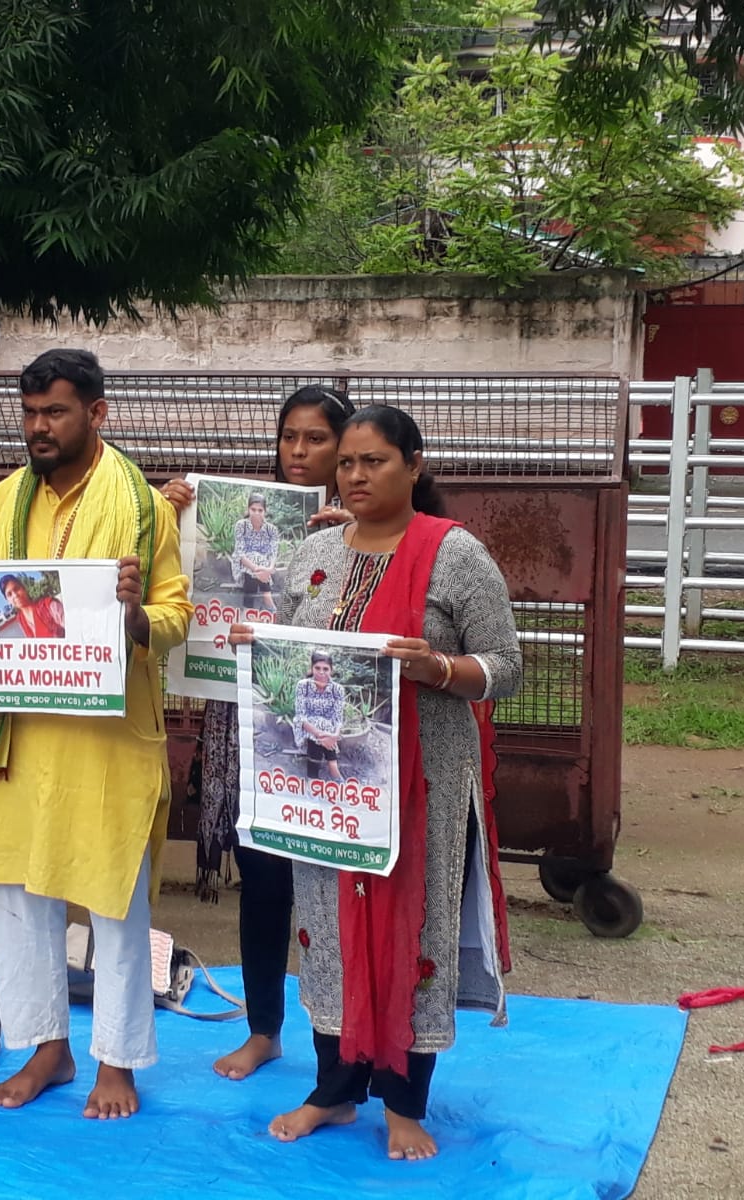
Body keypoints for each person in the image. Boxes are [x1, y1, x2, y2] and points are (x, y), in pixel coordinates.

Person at [0, 348, 193, 1119]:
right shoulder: (5, 501)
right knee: (14, 894)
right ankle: (46, 1049)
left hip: (105, 742)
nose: (38, 427)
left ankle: (119, 1060)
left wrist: (134, 617)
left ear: (97, 413)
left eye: (55, 412)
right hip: (20, 731)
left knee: (111, 897)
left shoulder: (143, 507)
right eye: (30, 413)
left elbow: (177, 617)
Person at [229, 405, 521, 1161]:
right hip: (322, 789)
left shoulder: (455, 555)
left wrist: (441, 669)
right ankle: (333, 1089)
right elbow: (286, 646)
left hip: (421, 786)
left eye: (374, 461)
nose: (355, 475)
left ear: (415, 465)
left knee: (414, 932)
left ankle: (402, 1101)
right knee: (323, 930)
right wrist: (254, 643)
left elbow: (508, 668)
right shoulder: (315, 551)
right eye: (347, 462)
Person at [158, 383, 354, 1083]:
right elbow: (192, 583)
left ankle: (347, 1042)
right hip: (247, 717)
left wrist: (346, 543)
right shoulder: (241, 518)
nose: (299, 453)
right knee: (264, 876)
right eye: (289, 438)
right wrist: (167, 516)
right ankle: (264, 1030)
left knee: (336, 894)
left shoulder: (370, 523)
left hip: (327, 733)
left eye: (317, 440)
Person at [293, 651, 345, 781]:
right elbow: (300, 717)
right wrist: (320, 735)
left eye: (325, 669)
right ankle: (332, 768)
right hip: (308, 729)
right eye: (317, 668)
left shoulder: (337, 689)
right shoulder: (303, 686)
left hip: (329, 732)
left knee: (325, 723)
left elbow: (338, 718)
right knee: (317, 722)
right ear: (312, 668)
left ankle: (314, 776)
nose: (321, 672)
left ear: (331, 670)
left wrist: (334, 736)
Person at [231, 493, 280, 613]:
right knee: (254, 556)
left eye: (260, 510)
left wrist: (268, 569)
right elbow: (240, 554)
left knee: (260, 558)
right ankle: (267, 599)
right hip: (243, 565)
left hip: (265, 567)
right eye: (253, 510)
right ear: (248, 509)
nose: (257, 513)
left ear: (265, 511)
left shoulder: (271, 530)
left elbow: (274, 553)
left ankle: (248, 607)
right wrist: (257, 570)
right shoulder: (241, 526)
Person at [0, 573, 66, 638]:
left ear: (24, 588)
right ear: (8, 601)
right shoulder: (21, 620)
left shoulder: (49, 606)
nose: (15, 595)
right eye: (9, 594)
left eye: (16, 589)